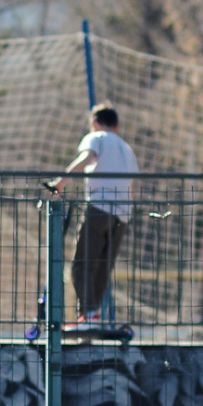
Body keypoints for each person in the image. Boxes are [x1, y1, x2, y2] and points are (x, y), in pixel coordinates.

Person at [45, 104, 136, 326]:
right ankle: (92, 315)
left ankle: (88, 314)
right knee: (103, 266)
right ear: (117, 126)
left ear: (95, 123)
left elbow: (87, 158)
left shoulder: (96, 138)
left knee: (81, 264)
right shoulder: (127, 149)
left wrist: (60, 182)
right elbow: (132, 184)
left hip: (99, 207)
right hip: (122, 214)